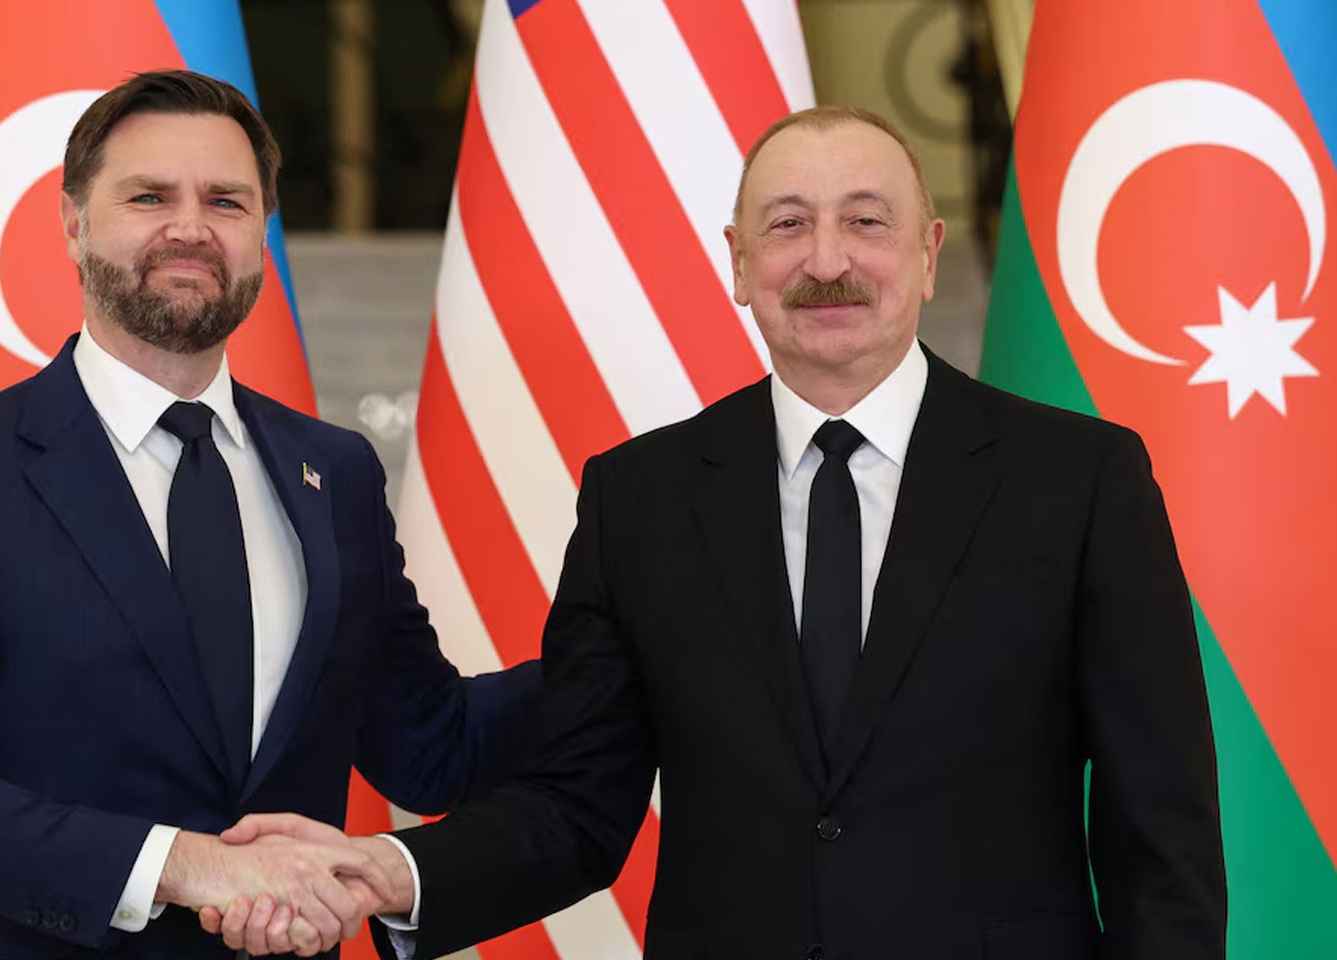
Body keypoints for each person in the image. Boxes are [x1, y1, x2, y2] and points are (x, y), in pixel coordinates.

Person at [213, 106, 1228, 959]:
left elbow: (1161, 837)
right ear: (739, 264)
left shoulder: (1081, 480)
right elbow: (576, 804)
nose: (826, 260)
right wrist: (390, 870)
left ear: (928, 256)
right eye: (786, 225)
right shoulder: (640, 497)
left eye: (865, 221)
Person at [0, 69, 537, 960]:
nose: (191, 227)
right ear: (74, 224)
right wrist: (186, 866)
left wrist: (631, 634)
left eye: (226, 201)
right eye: (149, 196)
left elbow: (431, 748)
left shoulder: (337, 472)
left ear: (262, 236)